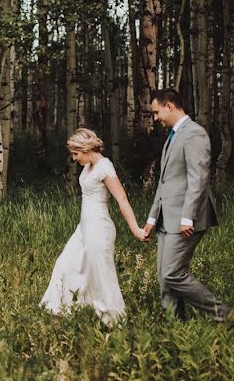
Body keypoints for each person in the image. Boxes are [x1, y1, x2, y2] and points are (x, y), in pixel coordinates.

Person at [143, 88, 234, 322]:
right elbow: (165, 182)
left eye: (156, 112)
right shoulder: (173, 135)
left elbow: (199, 178)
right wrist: (152, 218)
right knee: (164, 277)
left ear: (170, 106)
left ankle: (225, 315)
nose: (155, 118)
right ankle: (176, 327)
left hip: (184, 219)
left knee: (173, 274)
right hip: (167, 218)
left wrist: (188, 217)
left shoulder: (194, 134)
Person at [40, 128, 147, 325]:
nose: (74, 158)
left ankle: (115, 323)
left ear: (87, 149)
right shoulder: (89, 166)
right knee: (64, 265)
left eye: (76, 153)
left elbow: (122, 199)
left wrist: (135, 229)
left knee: (102, 276)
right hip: (84, 228)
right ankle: (61, 313)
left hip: (99, 229)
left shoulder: (104, 167)